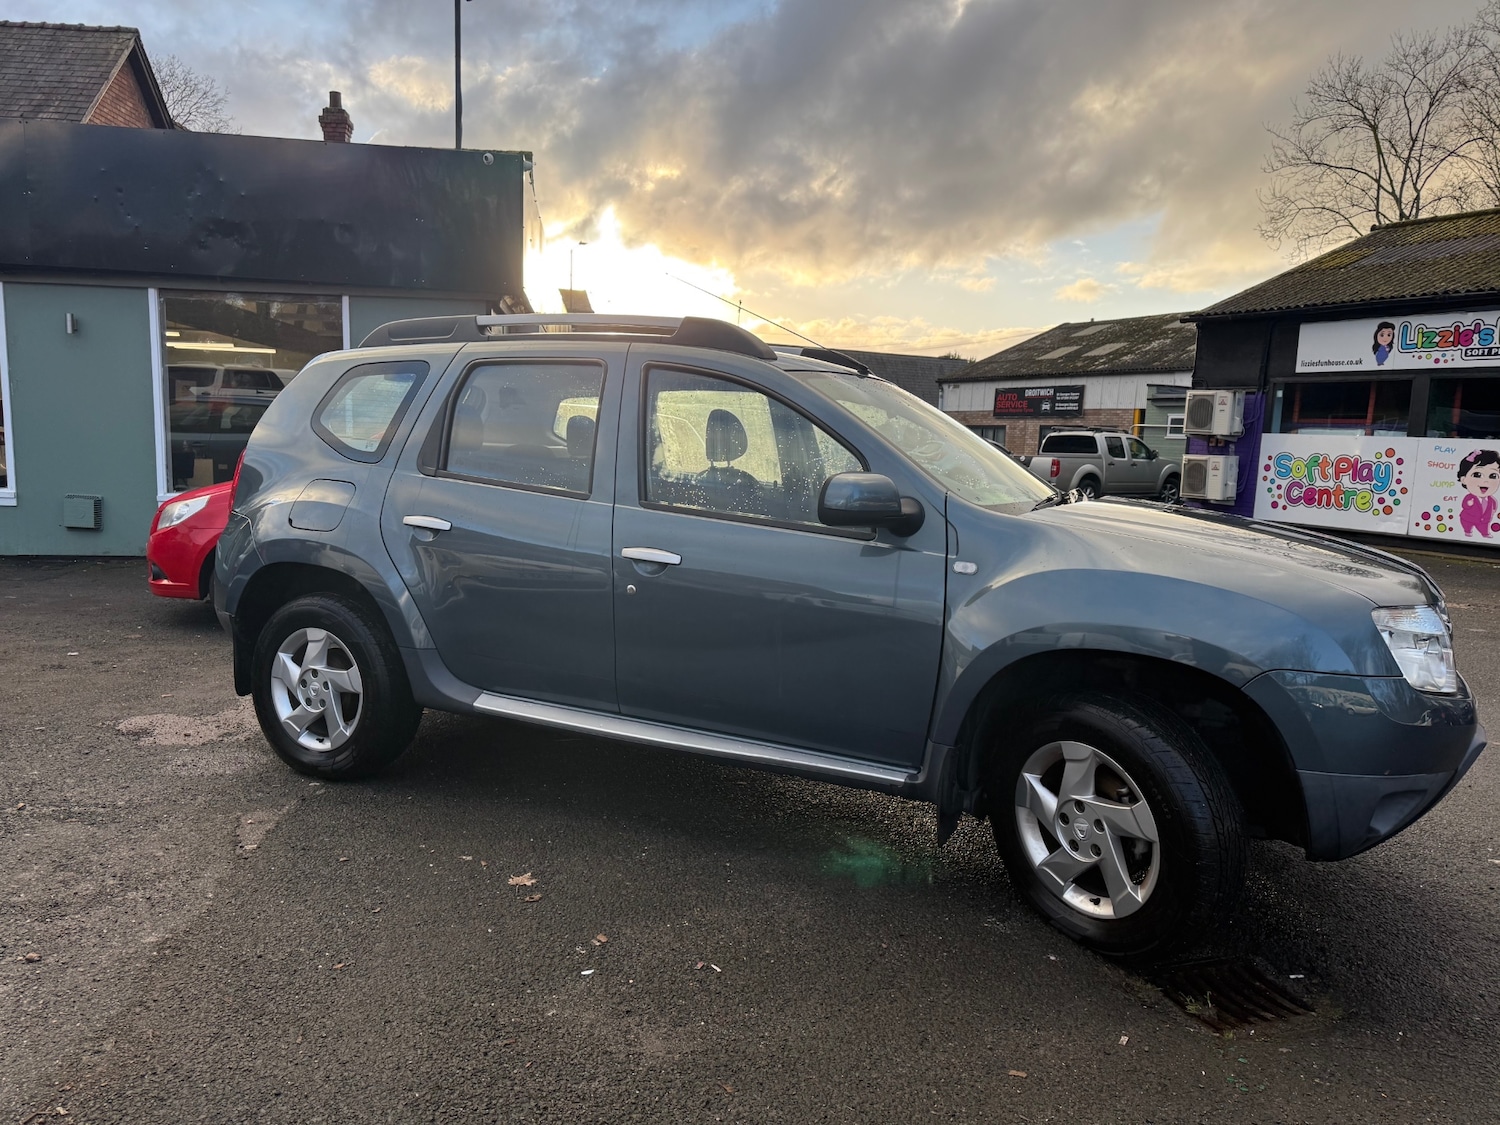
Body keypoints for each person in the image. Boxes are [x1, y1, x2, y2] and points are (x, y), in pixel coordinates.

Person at [1457, 448, 1500, 537]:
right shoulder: (1470, 497)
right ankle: (1467, 531)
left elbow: (1494, 506)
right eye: (1477, 475)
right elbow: (1464, 505)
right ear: (1464, 479)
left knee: (1484, 528)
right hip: (1468, 518)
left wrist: (1493, 510)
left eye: (1493, 476)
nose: (1485, 481)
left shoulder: (1491, 499)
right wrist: (1469, 504)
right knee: (1467, 526)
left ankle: (1485, 533)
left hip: (1484, 520)